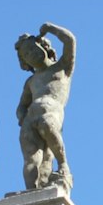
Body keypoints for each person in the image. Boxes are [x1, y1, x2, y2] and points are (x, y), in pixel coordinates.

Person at [14, 22, 75, 192]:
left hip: (51, 114)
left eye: (33, 49)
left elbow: (70, 40)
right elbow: (22, 104)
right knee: (31, 159)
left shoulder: (62, 68)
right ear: (24, 62)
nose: (31, 54)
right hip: (30, 118)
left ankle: (63, 165)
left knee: (47, 125)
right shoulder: (31, 82)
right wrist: (20, 115)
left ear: (44, 47)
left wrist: (50, 29)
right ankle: (31, 191)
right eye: (26, 54)